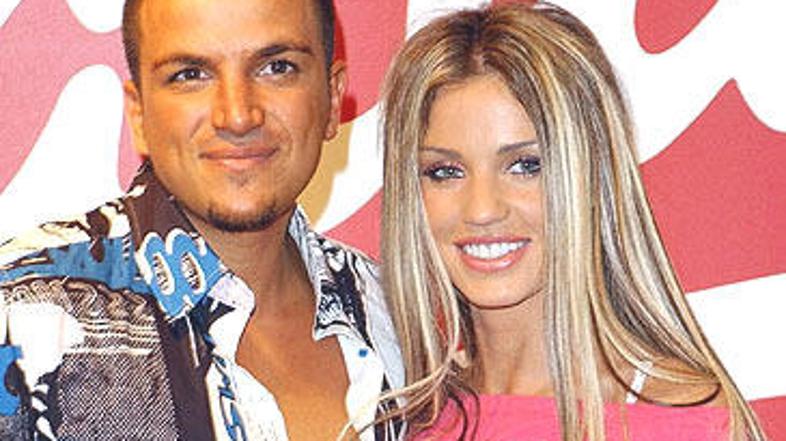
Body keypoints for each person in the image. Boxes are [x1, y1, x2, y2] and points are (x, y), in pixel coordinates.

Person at [0, 0, 402, 440]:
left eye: (277, 68)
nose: (238, 116)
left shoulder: (400, 316)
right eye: (190, 74)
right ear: (139, 114)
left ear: (332, 97)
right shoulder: (20, 313)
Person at [380, 2, 765, 440]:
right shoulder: (403, 416)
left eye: (526, 166)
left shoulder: (683, 422)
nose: (482, 209)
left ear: (590, 174)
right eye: (445, 172)